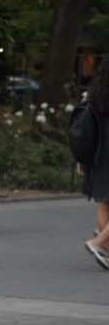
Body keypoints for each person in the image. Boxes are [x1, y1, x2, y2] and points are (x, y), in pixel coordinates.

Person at [77, 59, 109, 270]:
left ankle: (105, 251)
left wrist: (81, 159)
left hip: (99, 156)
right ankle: (97, 242)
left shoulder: (94, 94)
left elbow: (85, 131)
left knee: (104, 204)